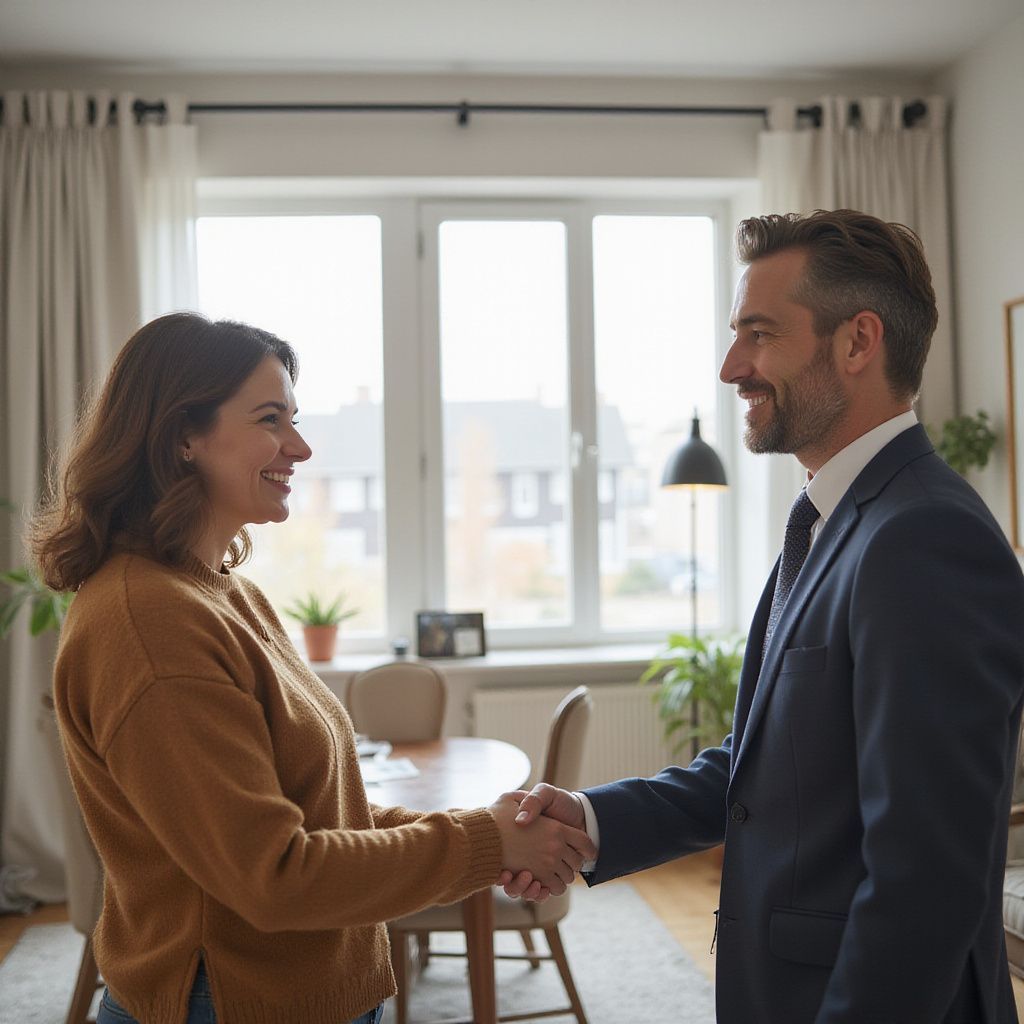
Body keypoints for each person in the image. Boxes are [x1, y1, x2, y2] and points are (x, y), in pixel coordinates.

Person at [504, 210, 1024, 1023]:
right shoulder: (834, 521)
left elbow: (925, 878)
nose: (730, 367)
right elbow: (765, 770)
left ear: (857, 343)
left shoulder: (924, 537)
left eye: (759, 334)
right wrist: (595, 819)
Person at [34, 312, 595, 1024]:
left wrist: (486, 834)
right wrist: (484, 843)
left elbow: (326, 815)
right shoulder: (149, 623)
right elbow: (273, 877)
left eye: (294, 419)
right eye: (271, 420)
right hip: (230, 1001)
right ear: (183, 436)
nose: (298, 447)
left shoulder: (222, 593)